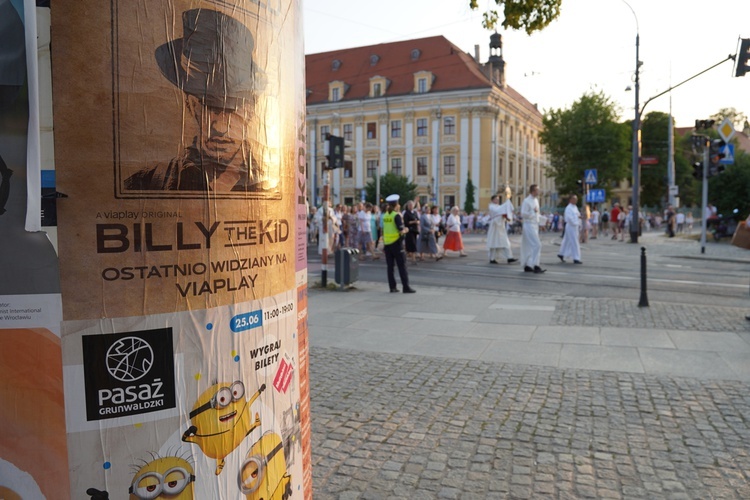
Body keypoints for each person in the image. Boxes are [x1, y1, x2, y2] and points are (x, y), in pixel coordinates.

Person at [124, 9, 276, 194]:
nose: (220, 126)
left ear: (251, 109)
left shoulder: (268, 181)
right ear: (191, 105)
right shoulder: (150, 182)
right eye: (208, 106)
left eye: (232, 108)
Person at [382, 194, 415, 293]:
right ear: (397, 205)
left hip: (387, 243)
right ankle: (406, 287)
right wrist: (407, 229)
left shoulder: (386, 215)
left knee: (390, 267)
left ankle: (392, 287)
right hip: (396, 243)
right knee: (402, 266)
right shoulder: (396, 215)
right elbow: (401, 229)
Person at [520, 184, 545, 273]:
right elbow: (523, 213)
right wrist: (532, 213)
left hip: (535, 225)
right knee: (537, 244)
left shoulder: (536, 200)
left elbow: (536, 213)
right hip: (529, 225)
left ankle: (529, 265)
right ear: (533, 191)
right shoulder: (526, 201)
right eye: (537, 190)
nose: (538, 192)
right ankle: (536, 265)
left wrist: (542, 220)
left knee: (531, 246)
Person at [486, 193, 517, 264]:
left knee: (505, 242)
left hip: (501, 226)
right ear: (492, 200)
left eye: (498, 199)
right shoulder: (491, 206)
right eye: (496, 199)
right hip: (495, 226)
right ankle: (492, 258)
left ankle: (510, 257)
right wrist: (507, 204)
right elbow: (498, 211)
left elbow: (502, 212)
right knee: (494, 242)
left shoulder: (499, 207)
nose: (497, 200)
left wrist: (507, 216)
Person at [558, 194, 582, 264]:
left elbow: (578, 215)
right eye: (574, 199)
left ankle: (561, 253)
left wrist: (579, 219)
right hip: (571, 226)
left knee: (567, 240)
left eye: (576, 199)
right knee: (574, 242)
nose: (576, 200)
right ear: (570, 200)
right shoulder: (568, 208)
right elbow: (569, 218)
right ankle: (576, 258)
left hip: (575, 226)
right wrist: (576, 222)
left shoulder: (575, 207)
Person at [402, 200, 420, 264]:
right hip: (409, 230)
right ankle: (413, 259)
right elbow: (406, 222)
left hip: (415, 230)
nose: (411, 206)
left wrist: (417, 222)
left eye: (412, 205)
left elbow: (418, 219)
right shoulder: (406, 213)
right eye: (409, 205)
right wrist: (414, 222)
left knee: (413, 243)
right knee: (412, 244)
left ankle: (408, 256)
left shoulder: (415, 212)